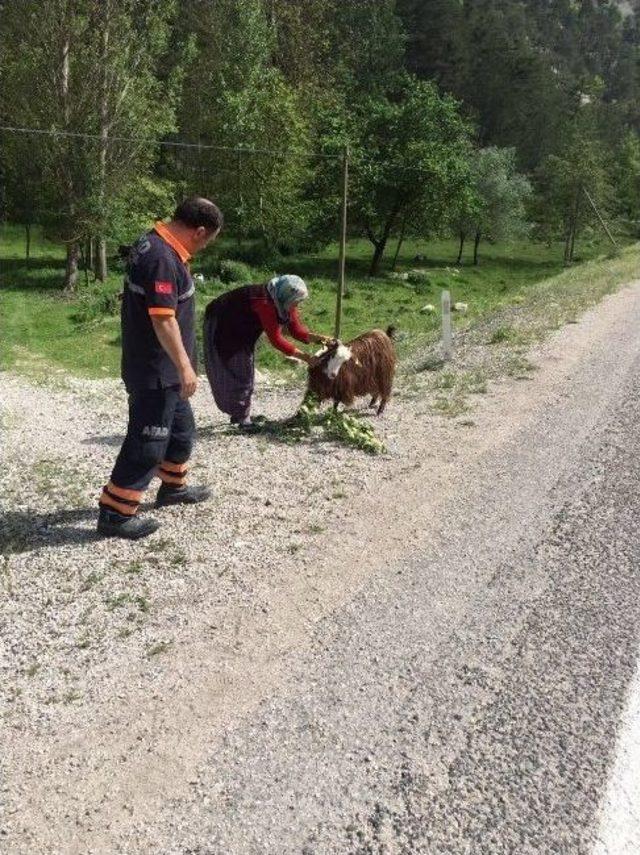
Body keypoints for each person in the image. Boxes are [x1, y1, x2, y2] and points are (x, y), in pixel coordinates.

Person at [97, 196, 223, 540]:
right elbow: (164, 319)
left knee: (182, 432)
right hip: (156, 369)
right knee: (148, 440)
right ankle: (115, 512)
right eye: (208, 240)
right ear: (199, 231)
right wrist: (185, 367)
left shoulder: (154, 242)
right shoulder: (161, 259)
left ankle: (173, 489)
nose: (206, 246)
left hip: (166, 370)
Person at [203, 275, 333, 427]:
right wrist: (307, 358)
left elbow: (296, 330)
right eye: (296, 302)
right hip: (223, 322)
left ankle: (239, 414)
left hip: (242, 328)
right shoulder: (265, 302)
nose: (296, 306)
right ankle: (242, 420)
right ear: (287, 296)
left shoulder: (284, 300)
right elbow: (277, 340)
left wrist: (321, 339)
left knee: (244, 368)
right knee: (238, 370)